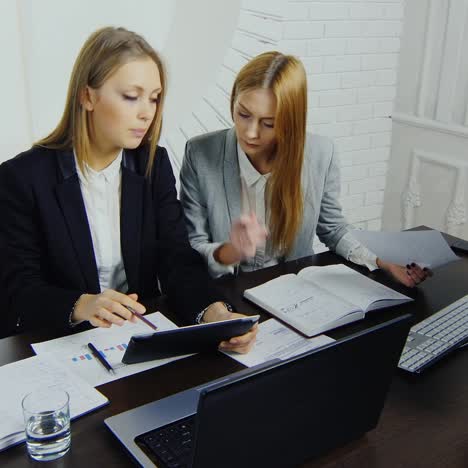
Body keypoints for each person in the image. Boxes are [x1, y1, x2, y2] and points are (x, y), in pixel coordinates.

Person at [0, 27, 256, 353]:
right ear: (87, 96)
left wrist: (214, 311)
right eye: (131, 96)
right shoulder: (22, 177)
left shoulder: (153, 164)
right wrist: (81, 305)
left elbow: (176, 259)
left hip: (134, 341)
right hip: (59, 346)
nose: (146, 112)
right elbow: (19, 290)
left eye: (154, 98)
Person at [180, 51, 430, 286]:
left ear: (291, 121)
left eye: (268, 123)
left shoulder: (320, 154)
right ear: (233, 100)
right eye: (243, 114)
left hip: (294, 289)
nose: (250, 132)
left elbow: (333, 228)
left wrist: (379, 260)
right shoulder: (200, 153)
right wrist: (230, 251)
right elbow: (192, 245)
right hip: (228, 291)